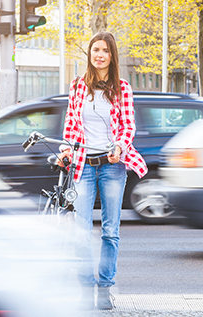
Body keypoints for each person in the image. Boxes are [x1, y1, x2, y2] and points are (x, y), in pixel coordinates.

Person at [57, 31, 148, 311]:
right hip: (84, 166)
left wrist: (120, 146)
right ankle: (86, 288)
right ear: (89, 53)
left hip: (111, 167)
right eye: (95, 50)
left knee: (110, 231)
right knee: (81, 231)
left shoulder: (122, 87)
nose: (99, 55)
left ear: (112, 56)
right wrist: (67, 149)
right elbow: (72, 125)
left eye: (105, 51)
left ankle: (105, 288)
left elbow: (128, 126)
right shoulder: (77, 86)